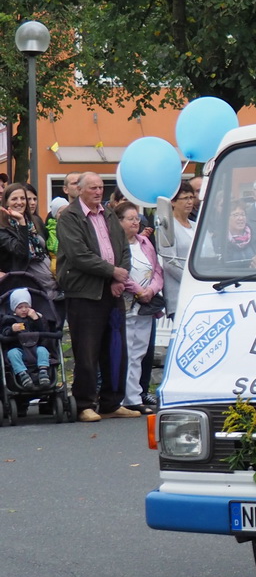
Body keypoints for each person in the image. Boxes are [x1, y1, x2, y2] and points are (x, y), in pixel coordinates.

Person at [57, 172, 136, 421]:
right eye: (92, 187)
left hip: (111, 291)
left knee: (115, 348)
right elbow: (79, 255)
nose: (98, 191)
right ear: (79, 190)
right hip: (84, 292)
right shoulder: (69, 217)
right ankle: (84, 403)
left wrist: (117, 278)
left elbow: (123, 248)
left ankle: (112, 402)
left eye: (101, 187)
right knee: (87, 350)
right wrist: (111, 272)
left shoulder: (109, 213)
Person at [113, 200, 164, 412]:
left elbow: (157, 270)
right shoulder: (115, 243)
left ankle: (134, 397)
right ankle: (125, 398)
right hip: (126, 303)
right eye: (130, 218)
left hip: (146, 305)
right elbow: (119, 271)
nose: (135, 222)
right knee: (126, 349)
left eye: (137, 218)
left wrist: (151, 290)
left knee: (140, 351)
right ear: (119, 221)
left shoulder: (144, 242)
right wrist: (137, 290)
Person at [0, 182, 56, 297]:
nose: (19, 202)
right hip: (24, 288)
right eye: (14, 199)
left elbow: (45, 250)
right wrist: (21, 223)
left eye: (22, 198)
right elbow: (21, 251)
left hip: (51, 284)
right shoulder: (2, 228)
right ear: (6, 202)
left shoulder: (34, 221)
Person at [155, 180, 199, 318]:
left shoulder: (196, 225)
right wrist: (192, 279)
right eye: (185, 198)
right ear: (172, 202)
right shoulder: (166, 227)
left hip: (200, 292)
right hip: (180, 293)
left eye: (191, 197)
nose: (190, 202)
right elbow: (170, 262)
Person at [2, 287, 54, 388]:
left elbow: (44, 331)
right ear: (14, 309)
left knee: (43, 350)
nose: (24, 310)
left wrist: (35, 318)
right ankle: (22, 374)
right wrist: (12, 329)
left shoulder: (35, 317)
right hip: (19, 349)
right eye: (20, 307)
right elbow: (4, 332)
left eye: (27, 306)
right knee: (12, 353)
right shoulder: (9, 319)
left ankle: (43, 371)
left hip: (36, 349)